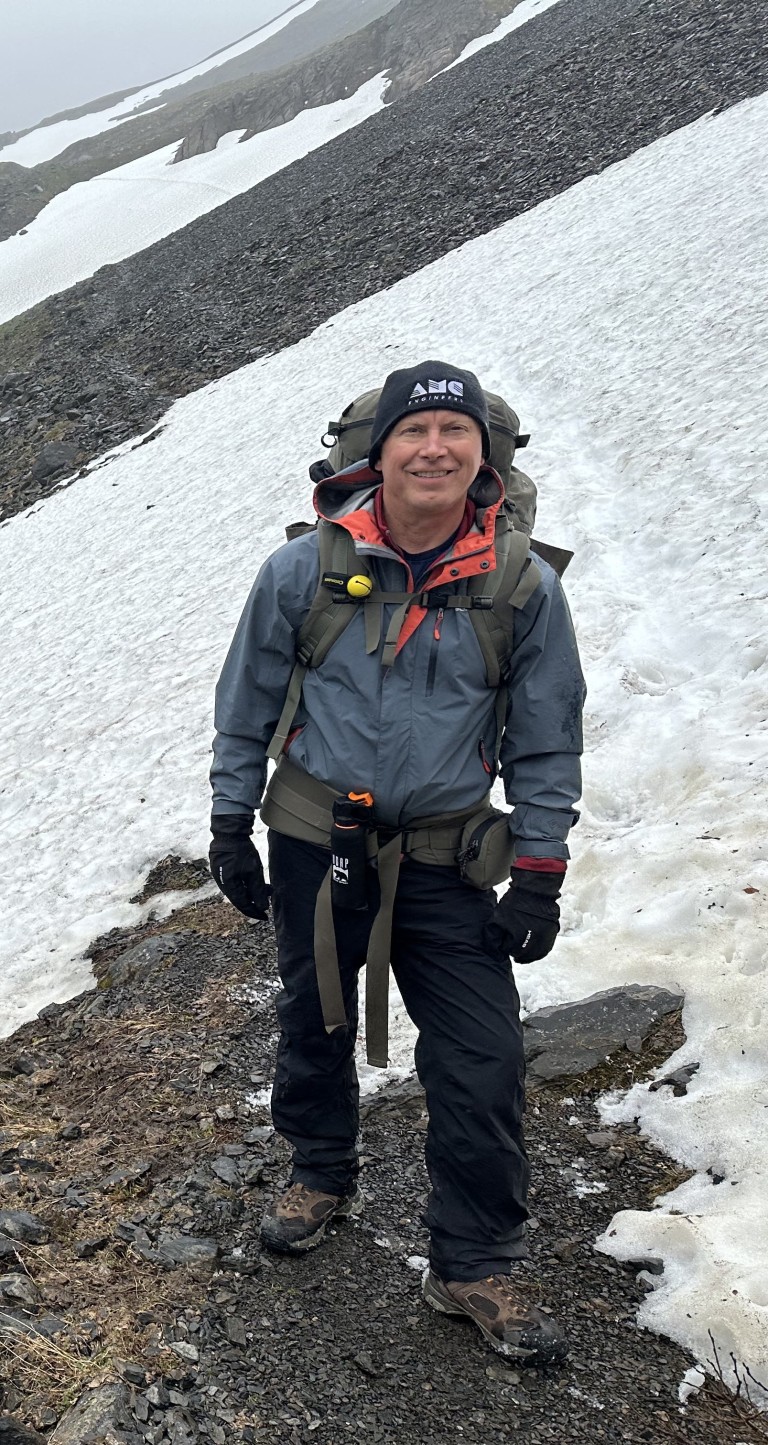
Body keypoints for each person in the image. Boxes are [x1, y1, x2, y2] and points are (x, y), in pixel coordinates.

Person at [209, 361, 585, 1364]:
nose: (435, 449)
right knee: (313, 1010)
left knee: (483, 1052)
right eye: (415, 432)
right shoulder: (304, 571)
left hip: (446, 852)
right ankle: (322, 1167)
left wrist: (540, 870)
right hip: (312, 837)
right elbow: (246, 703)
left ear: (482, 455)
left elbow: (546, 741)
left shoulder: (520, 586)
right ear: (377, 454)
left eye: (455, 432)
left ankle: (472, 1258)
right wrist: (228, 821)